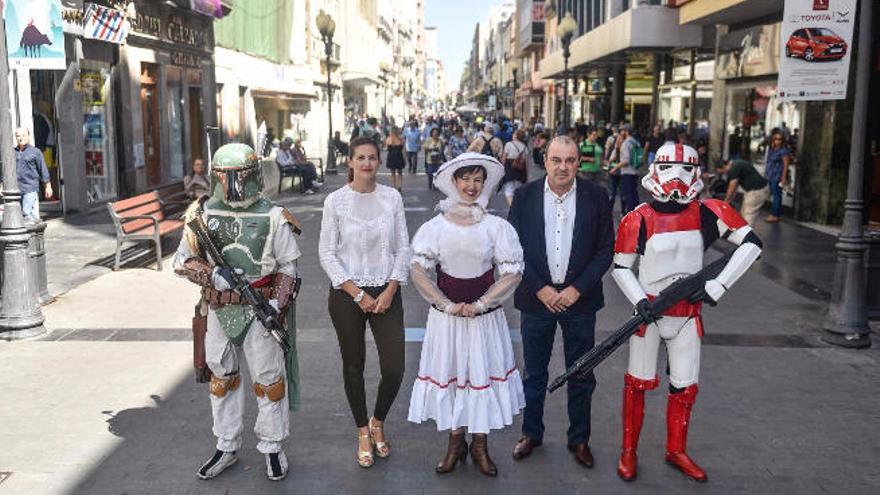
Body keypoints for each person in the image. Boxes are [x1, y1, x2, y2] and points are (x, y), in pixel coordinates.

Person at [611, 143, 763, 482]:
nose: (677, 176)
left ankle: (676, 449)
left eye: (686, 167)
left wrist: (718, 285)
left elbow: (752, 243)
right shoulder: (637, 218)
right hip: (649, 315)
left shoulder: (709, 212)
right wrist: (640, 301)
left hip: (688, 315)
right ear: (656, 169)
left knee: (685, 386)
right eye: (669, 167)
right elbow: (621, 268)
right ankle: (628, 450)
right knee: (636, 385)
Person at [172, 143, 302, 482]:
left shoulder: (274, 215)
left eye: (238, 177)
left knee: (269, 380)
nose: (232, 184)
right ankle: (226, 443)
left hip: (260, 310)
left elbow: (289, 265)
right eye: (227, 177)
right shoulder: (200, 214)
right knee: (221, 379)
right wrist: (212, 273)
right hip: (217, 306)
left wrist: (276, 305)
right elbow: (182, 260)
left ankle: (272, 446)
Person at [408, 152, 525, 477]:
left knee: (480, 376)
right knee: (454, 374)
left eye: (478, 179)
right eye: (465, 179)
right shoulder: (435, 227)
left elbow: (512, 272)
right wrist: (445, 304)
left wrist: (481, 304)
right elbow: (419, 270)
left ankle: (480, 446)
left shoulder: (495, 227)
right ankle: (455, 444)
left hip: (484, 320)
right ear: (454, 182)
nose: (471, 186)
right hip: (447, 320)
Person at [508, 136, 614, 469]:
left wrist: (576, 289)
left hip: (579, 302)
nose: (563, 167)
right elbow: (513, 249)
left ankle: (579, 439)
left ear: (578, 162)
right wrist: (540, 288)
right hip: (536, 298)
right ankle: (531, 433)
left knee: (582, 373)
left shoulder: (597, 197)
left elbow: (604, 251)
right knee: (534, 373)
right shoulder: (524, 197)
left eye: (570, 160)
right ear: (545, 160)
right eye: (556, 160)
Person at [318, 136, 411, 469]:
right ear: (350, 162)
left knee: (395, 368)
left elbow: (404, 248)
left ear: (380, 161)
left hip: (386, 291)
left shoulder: (392, 198)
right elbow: (326, 253)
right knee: (354, 365)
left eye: (372, 157)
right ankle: (362, 431)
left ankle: (378, 421)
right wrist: (357, 293)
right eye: (361, 158)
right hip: (347, 294)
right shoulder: (335, 202)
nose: (367, 163)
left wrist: (389, 290)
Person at [14, 127, 52, 221]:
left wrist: (48, 186)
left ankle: (36, 231)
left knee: (27, 213)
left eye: (23, 135)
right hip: (15, 189)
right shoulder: (13, 152)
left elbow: (43, 170)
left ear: (28, 137)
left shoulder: (35, 152)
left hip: (30, 188)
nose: (20, 138)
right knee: (18, 216)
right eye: (18, 136)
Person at [716, 158, 769, 226]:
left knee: (748, 214)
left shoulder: (734, 168)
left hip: (757, 191)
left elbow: (732, 185)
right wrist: (730, 199)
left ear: (724, 166)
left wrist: (726, 201)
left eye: (722, 172)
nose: (724, 173)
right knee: (744, 213)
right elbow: (735, 185)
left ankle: (746, 234)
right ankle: (743, 232)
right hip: (753, 190)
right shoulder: (736, 164)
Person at [608, 125, 640, 215]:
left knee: (628, 195)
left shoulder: (626, 143)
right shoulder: (636, 142)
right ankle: (636, 213)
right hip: (635, 171)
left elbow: (626, 160)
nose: (621, 133)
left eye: (622, 131)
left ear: (626, 132)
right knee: (634, 194)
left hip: (627, 172)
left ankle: (630, 215)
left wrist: (615, 168)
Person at [764, 129, 790, 223]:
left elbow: (786, 164)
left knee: (777, 196)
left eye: (780, 139)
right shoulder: (772, 149)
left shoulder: (783, 151)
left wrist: (783, 177)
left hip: (777, 176)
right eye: (776, 139)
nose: (777, 141)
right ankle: (774, 214)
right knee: (774, 195)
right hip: (770, 175)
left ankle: (775, 215)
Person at [499, 129, 529, 206]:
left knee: (509, 191)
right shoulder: (524, 147)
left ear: (516, 136)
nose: (512, 135)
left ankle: (513, 209)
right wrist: (527, 175)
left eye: (514, 134)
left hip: (510, 169)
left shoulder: (509, 144)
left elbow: (504, 159)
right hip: (521, 170)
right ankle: (517, 207)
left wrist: (501, 170)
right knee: (517, 190)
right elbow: (526, 162)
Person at [385, 127, 406, 191]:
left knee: (392, 173)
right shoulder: (401, 139)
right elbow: (403, 150)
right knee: (400, 172)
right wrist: (405, 158)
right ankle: (400, 186)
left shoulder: (388, 139)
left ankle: (393, 186)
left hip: (391, 157)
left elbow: (386, 149)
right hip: (399, 156)